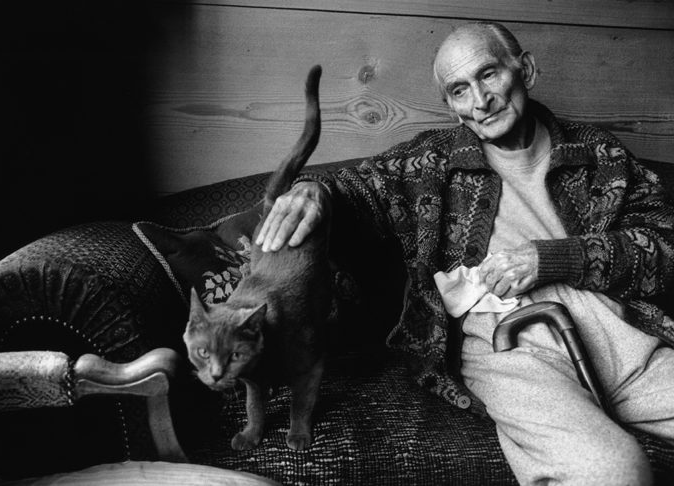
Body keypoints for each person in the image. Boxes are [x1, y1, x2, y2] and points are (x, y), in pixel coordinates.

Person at [255, 21, 674, 485]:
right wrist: (312, 191)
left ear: (526, 70)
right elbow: (354, 190)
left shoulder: (601, 155)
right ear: (452, 108)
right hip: (510, 346)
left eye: (489, 74)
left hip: (621, 335)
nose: (480, 100)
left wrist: (553, 258)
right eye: (460, 90)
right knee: (613, 471)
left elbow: (666, 247)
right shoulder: (428, 163)